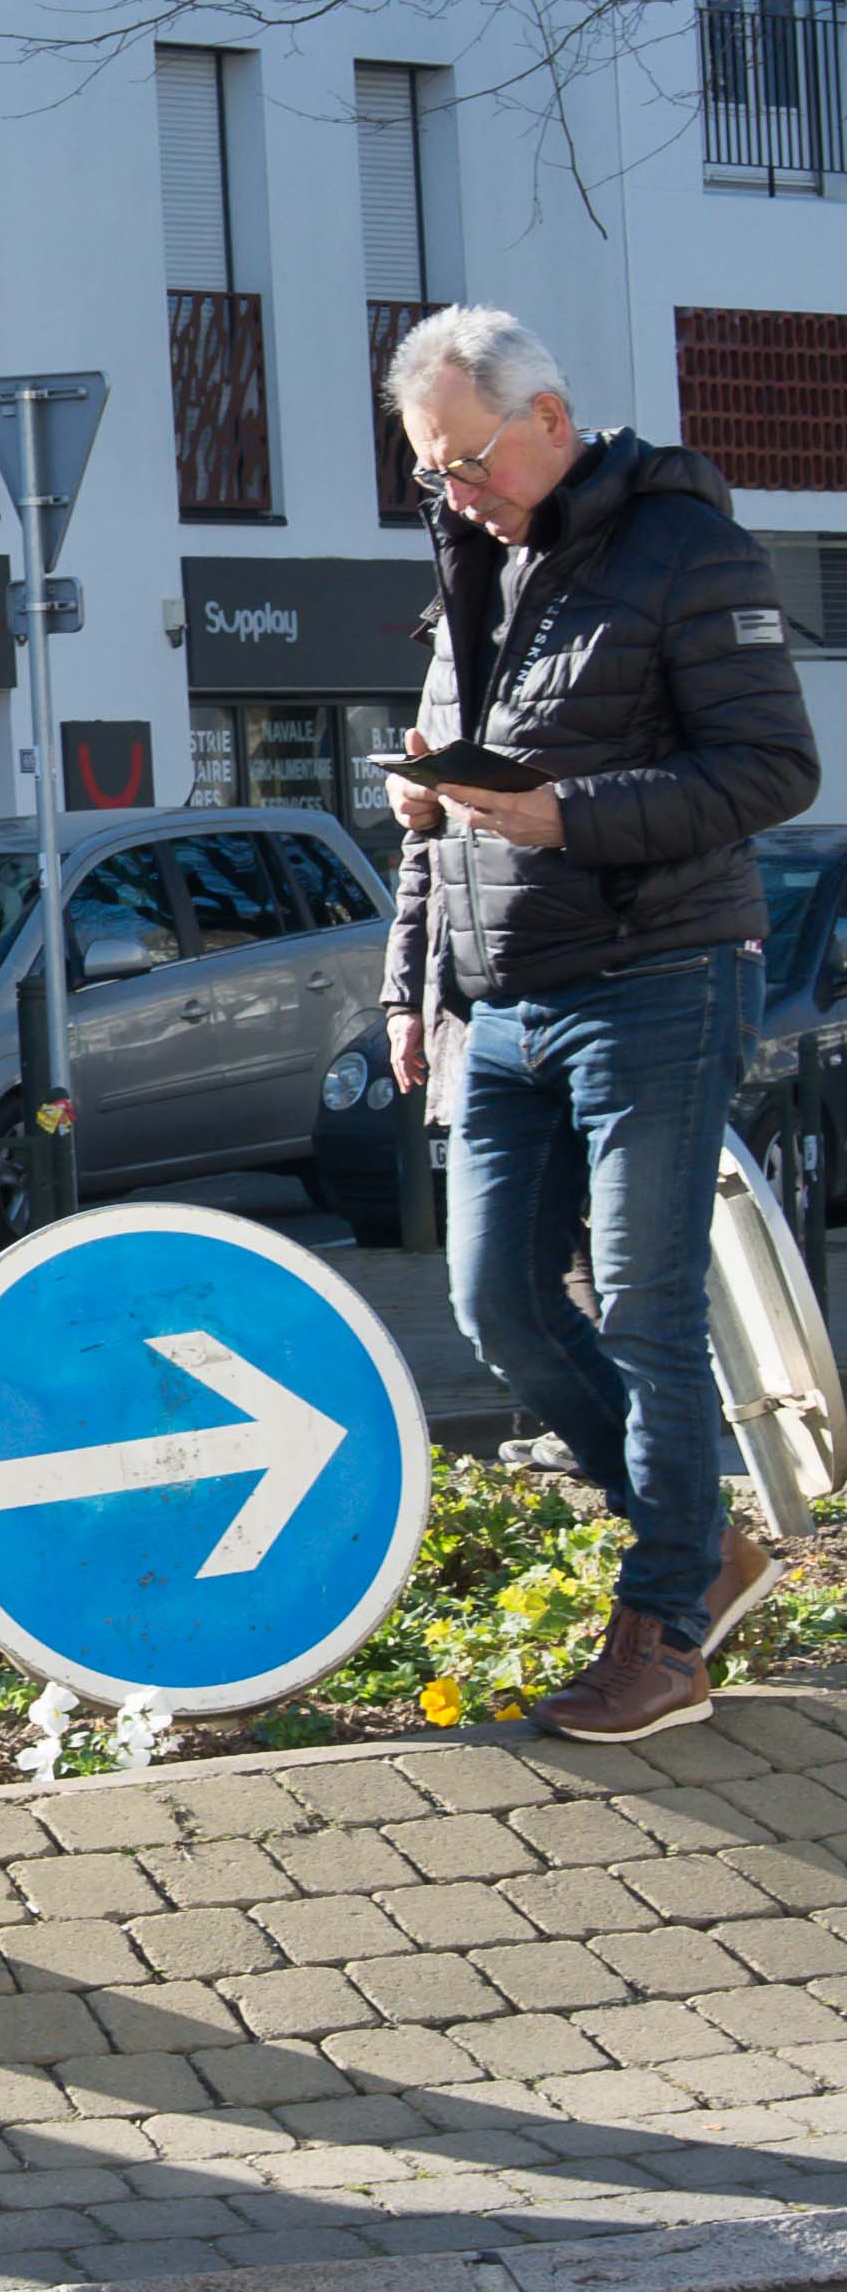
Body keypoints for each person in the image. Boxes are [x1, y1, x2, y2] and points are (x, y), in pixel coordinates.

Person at [378, 305, 819, 1743]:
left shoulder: (691, 550)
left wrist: (568, 814)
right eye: (431, 471)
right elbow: (435, 814)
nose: (453, 492)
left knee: (642, 1306)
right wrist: (409, 980)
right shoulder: (469, 571)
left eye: (467, 461)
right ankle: (700, 1544)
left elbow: (770, 767)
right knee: (497, 1301)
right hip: (498, 1001)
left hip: (658, 978)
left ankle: (668, 1626)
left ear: (551, 420)